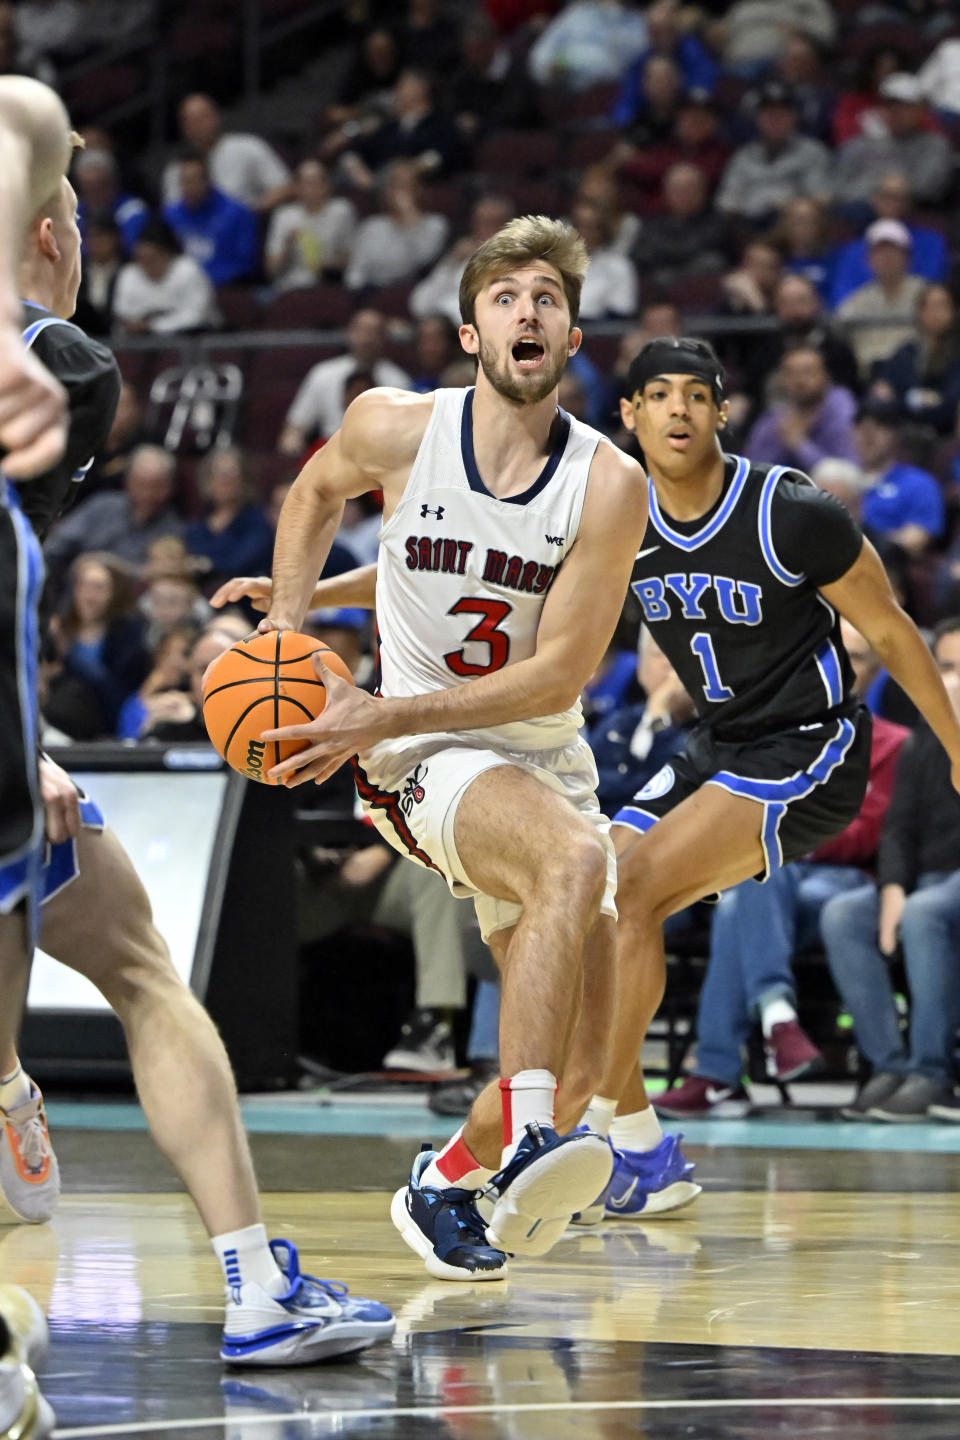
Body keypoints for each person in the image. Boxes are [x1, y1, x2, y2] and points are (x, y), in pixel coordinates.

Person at [2, 154, 396, 1376]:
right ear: (56, 236)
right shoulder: (61, 370)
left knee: (139, 966)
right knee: (142, 979)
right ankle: (245, 1285)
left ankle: (247, 1276)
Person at [233, 215, 651, 1278]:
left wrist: (380, 698)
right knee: (573, 859)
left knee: (591, 1049)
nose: (528, 311)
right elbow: (312, 492)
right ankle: (528, 1145)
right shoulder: (396, 427)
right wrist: (289, 628)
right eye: (506, 296)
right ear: (471, 333)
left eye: (547, 299)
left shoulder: (608, 484)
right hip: (420, 759)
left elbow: (561, 674)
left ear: (573, 338)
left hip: (537, 751)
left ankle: (444, 1180)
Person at [580, 333, 960, 1214]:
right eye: (658, 395)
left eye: (696, 394)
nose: (678, 409)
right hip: (720, 744)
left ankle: (597, 1122)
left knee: (631, 892)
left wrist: (954, 742)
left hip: (812, 748)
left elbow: (899, 634)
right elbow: (494, 576)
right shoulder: (616, 517)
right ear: (629, 416)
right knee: (590, 888)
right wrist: (318, 598)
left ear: (721, 412)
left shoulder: (791, 509)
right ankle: (640, 1146)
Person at [657, 621, 910, 1116]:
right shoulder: (776, 736)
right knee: (749, 887)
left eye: (855, 658)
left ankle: (717, 1073)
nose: (840, 666)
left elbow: (867, 832)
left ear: (874, 672)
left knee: (751, 883)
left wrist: (783, 832)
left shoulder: (892, 743)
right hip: (777, 877)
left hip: (842, 883)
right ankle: (777, 1020)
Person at [821, 618, 960, 1121]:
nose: (953, 681)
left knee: (924, 912)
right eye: (945, 667)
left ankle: (933, 1072)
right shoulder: (924, 738)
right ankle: (889, 1065)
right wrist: (894, 886)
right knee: (844, 913)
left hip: (948, 887)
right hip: (925, 881)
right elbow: (898, 826)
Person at [277, 308, 411, 456]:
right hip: (330, 453)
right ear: (350, 333)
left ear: (383, 338)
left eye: (374, 332)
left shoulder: (399, 381)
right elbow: (296, 426)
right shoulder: (323, 373)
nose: (367, 339)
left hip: (380, 456)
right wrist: (292, 442)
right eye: (361, 330)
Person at [714, 82, 832, 227]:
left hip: (790, 224)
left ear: (794, 117)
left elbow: (822, 196)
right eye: (769, 113)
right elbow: (727, 198)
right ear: (757, 118)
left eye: (781, 113)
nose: (775, 119)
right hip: (747, 223)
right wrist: (737, 210)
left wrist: (791, 205)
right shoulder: (743, 156)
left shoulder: (812, 152)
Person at [162, 93, 292, 213]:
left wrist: (248, 215)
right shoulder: (175, 169)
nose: (197, 126)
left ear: (216, 117)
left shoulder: (247, 146)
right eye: (190, 121)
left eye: (202, 118)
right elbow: (171, 213)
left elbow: (285, 187)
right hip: (197, 234)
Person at [852, 396, 945, 559]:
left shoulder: (919, 483)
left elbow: (914, 542)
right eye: (862, 426)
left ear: (895, 434)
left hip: (888, 570)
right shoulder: (838, 478)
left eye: (879, 426)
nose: (869, 435)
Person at [744, 343, 858, 471]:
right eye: (791, 374)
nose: (799, 381)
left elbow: (848, 469)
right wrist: (783, 441)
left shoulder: (840, 407)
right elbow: (754, 467)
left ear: (826, 376)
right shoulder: (775, 416)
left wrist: (799, 445)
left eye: (808, 372)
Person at [837, 220, 926, 380]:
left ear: (907, 257)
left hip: (917, 376)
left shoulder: (925, 295)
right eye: (879, 251)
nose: (886, 257)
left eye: (893, 250)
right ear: (868, 259)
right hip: (868, 380)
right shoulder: (856, 301)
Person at [161, 152, 259, 289]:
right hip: (179, 290)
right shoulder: (169, 216)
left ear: (207, 181)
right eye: (184, 182)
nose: (189, 188)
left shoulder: (238, 213)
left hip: (225, 289)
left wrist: (204, 281)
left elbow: (245, 263)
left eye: (194, 181)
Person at [112, 217, 219, 336]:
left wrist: (153, 325)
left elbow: (196, 317)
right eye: (141, 259)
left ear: (168, 254)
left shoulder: (188, 270)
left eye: (153, 258)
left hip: (191, 342)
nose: (146, 265)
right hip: (141, 343)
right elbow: (122, 313)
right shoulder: (129, 273)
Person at [265, 159, 357, 290]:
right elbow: (270, 270)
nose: (312, 188)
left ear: (328, 185)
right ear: (296, 187)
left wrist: (327, 265)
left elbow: (352, 258)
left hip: (329, 284)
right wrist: (288, 245)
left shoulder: (342, 211)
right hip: (289, 287)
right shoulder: (284, 215)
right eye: (307, 183)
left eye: (318, 182)